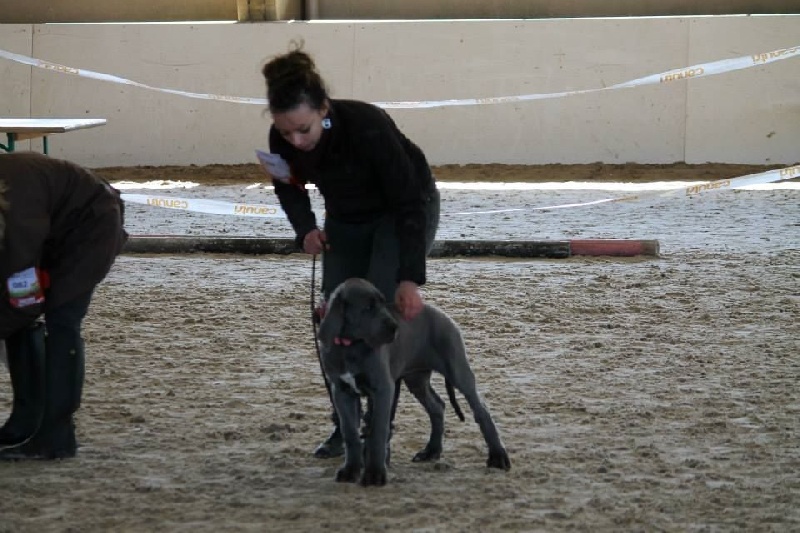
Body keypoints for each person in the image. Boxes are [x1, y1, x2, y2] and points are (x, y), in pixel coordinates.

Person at [261, 45, 441, 458]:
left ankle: (379, 430)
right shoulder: (280, 139)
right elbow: (287, 187)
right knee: (335, 315)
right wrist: (305, 229)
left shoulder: (367, 126)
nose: (295, 141)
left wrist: (409, 277)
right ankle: (344, 427)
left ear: (323, 109)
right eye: (286, 133)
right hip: (345, 216)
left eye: (303, 129)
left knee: (376, 315)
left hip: (401, 209)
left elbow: (409, 202)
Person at [0, 151, 128, 460]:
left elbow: (22, 289)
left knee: (61, 320)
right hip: (52, 232)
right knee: (20, 318)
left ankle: (56, 436)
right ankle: (25, 422)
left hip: (91, 230)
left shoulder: (17, 203)